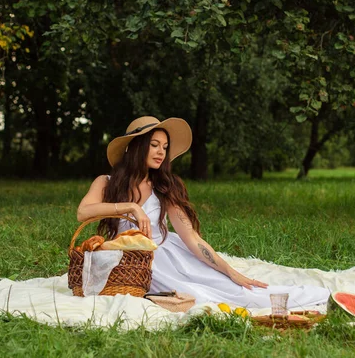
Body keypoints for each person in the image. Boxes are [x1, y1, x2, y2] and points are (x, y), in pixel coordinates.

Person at [77, 116, 329, 308]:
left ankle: (307, 296)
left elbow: (192, 239)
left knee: (228, 290)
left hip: (163, 255)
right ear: (135, 147)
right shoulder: (106, 182)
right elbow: (83, 212)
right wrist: (131, 207)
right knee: (197, 296)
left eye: (164, 147)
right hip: (125, 261)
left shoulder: (164, 188)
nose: (161, 152)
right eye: (154, 145)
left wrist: (231, 271)